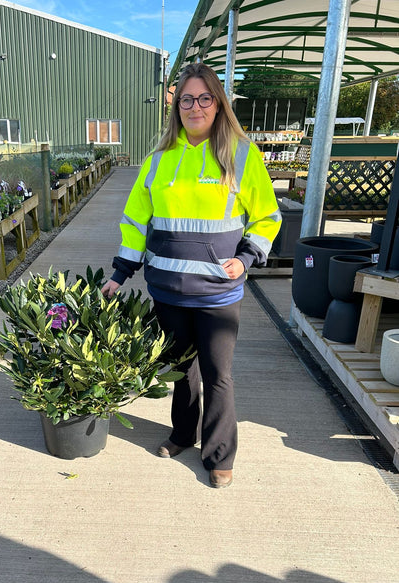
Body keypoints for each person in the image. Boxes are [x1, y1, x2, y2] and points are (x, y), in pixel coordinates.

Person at [101, 62, 281, 488]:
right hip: (167, 290)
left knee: (218, 375)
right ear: (175, 106)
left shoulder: (240, 154)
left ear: (218, 104)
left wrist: (248, 256)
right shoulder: (158, 160)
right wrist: (119, 273)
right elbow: (136, 222)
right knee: (181, 371)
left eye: (204, 98)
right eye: (186, 99)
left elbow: (267, 216)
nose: (194, 106)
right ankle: (183, 434)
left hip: (218, 293)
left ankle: (219, 454)